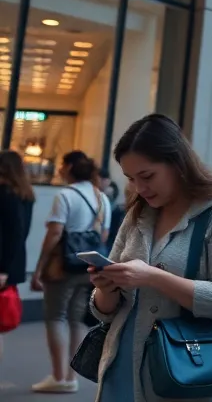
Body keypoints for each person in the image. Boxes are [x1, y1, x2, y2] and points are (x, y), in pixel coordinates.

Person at [90, 114, 212, 402]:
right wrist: (105, 287)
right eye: (131, 179)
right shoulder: (139, 213)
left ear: (177, 163)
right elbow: (104, 311)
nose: (139, 188)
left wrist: (152, 276)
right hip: (121, 366)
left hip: (185, 372)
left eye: (147, 176)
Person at [30, 151, 110, 393]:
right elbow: (103, 236)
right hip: (87, 266)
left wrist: (39, 268)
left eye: (62, 165)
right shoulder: (101, 197)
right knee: (76, 319)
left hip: (62, 266)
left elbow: (55, 233)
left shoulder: (65, 195)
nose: (60, 170)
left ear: (70, 167)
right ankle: (71, 376)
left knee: (55, 317)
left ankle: (58, 376)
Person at [0, 150, 35, 368]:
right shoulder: (26, 194)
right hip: (11, 264)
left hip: (2, 265)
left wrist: (3, 268)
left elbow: (11, 232)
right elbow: (21, 233)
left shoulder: (5, 192)